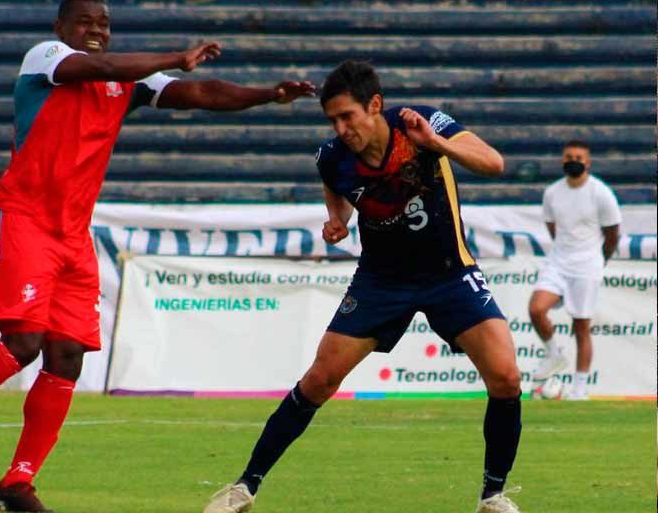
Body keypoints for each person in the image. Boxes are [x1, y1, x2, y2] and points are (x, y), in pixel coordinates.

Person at [0, 0, 316, 512]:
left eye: (104, 22)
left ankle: (17, 482)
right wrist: (173, 56)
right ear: (60, 27)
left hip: (73, 235)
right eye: (84, 21)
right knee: (24, 342)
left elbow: (202, 92)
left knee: (67, 355)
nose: (96, 28)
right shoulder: (45, 60)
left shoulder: (129, 82)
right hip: (24, 220)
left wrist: (267, 94)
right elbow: (99, 65)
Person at [203, 60, 524, 513]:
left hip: (449, 271)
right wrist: (337, 220)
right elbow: (333, 185)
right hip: (381, 280)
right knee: (320, 379)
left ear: (375, 105)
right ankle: (243, 488)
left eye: (347, 116)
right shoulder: (332, 156)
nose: (340, 128)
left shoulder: (422, 124)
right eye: (332, 120)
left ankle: (493, 496)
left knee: (506, 377)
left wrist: (436, 146)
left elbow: (494, 163)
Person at [528, 140, 621, 400]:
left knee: (581, 327)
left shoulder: (600, 193)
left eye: (579, 157)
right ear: (562, 160)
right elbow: (552, 227)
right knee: (536, 309)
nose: (574, 160)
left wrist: (599, 261)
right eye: (569, 156)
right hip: (558, 263)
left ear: (588, 162)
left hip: (587, 266)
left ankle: (580, 389)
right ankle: (554, 355)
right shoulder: (552, 193)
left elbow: (612, 233)